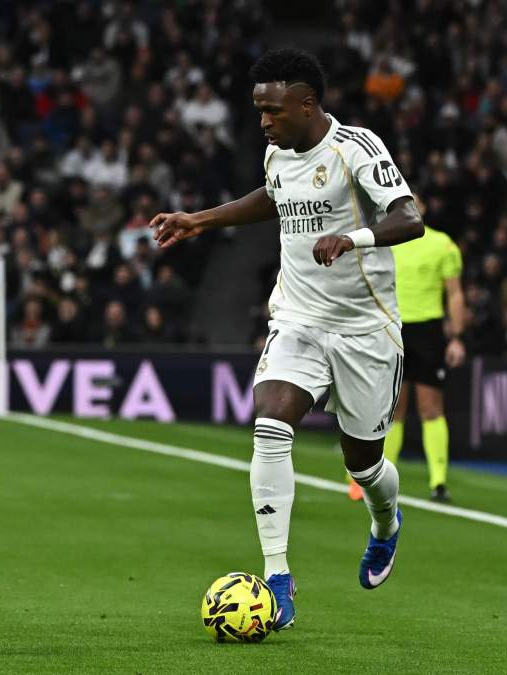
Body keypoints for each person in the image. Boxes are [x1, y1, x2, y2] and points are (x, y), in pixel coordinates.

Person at [151, 49, 423, 631]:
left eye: (273, 111)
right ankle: (278, 578)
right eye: (258, 111)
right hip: (298, 319)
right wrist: (199, 220)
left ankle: (385, 522)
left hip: (364, 331)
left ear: (307, 104)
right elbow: (270, 199)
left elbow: (409, 217)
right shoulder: (278, 155)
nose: (264, 123)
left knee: (364, 465)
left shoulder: (356, 149)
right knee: (271, 423)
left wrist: (353, 239)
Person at [353, 203, 465, 503]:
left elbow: (454, 293)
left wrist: (457, 337)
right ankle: (379, 480)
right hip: (391, 327)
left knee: (431, 407)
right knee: (393, 408)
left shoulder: (442, 244)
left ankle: (439, 482)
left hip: (428, 331)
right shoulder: (384, 240)